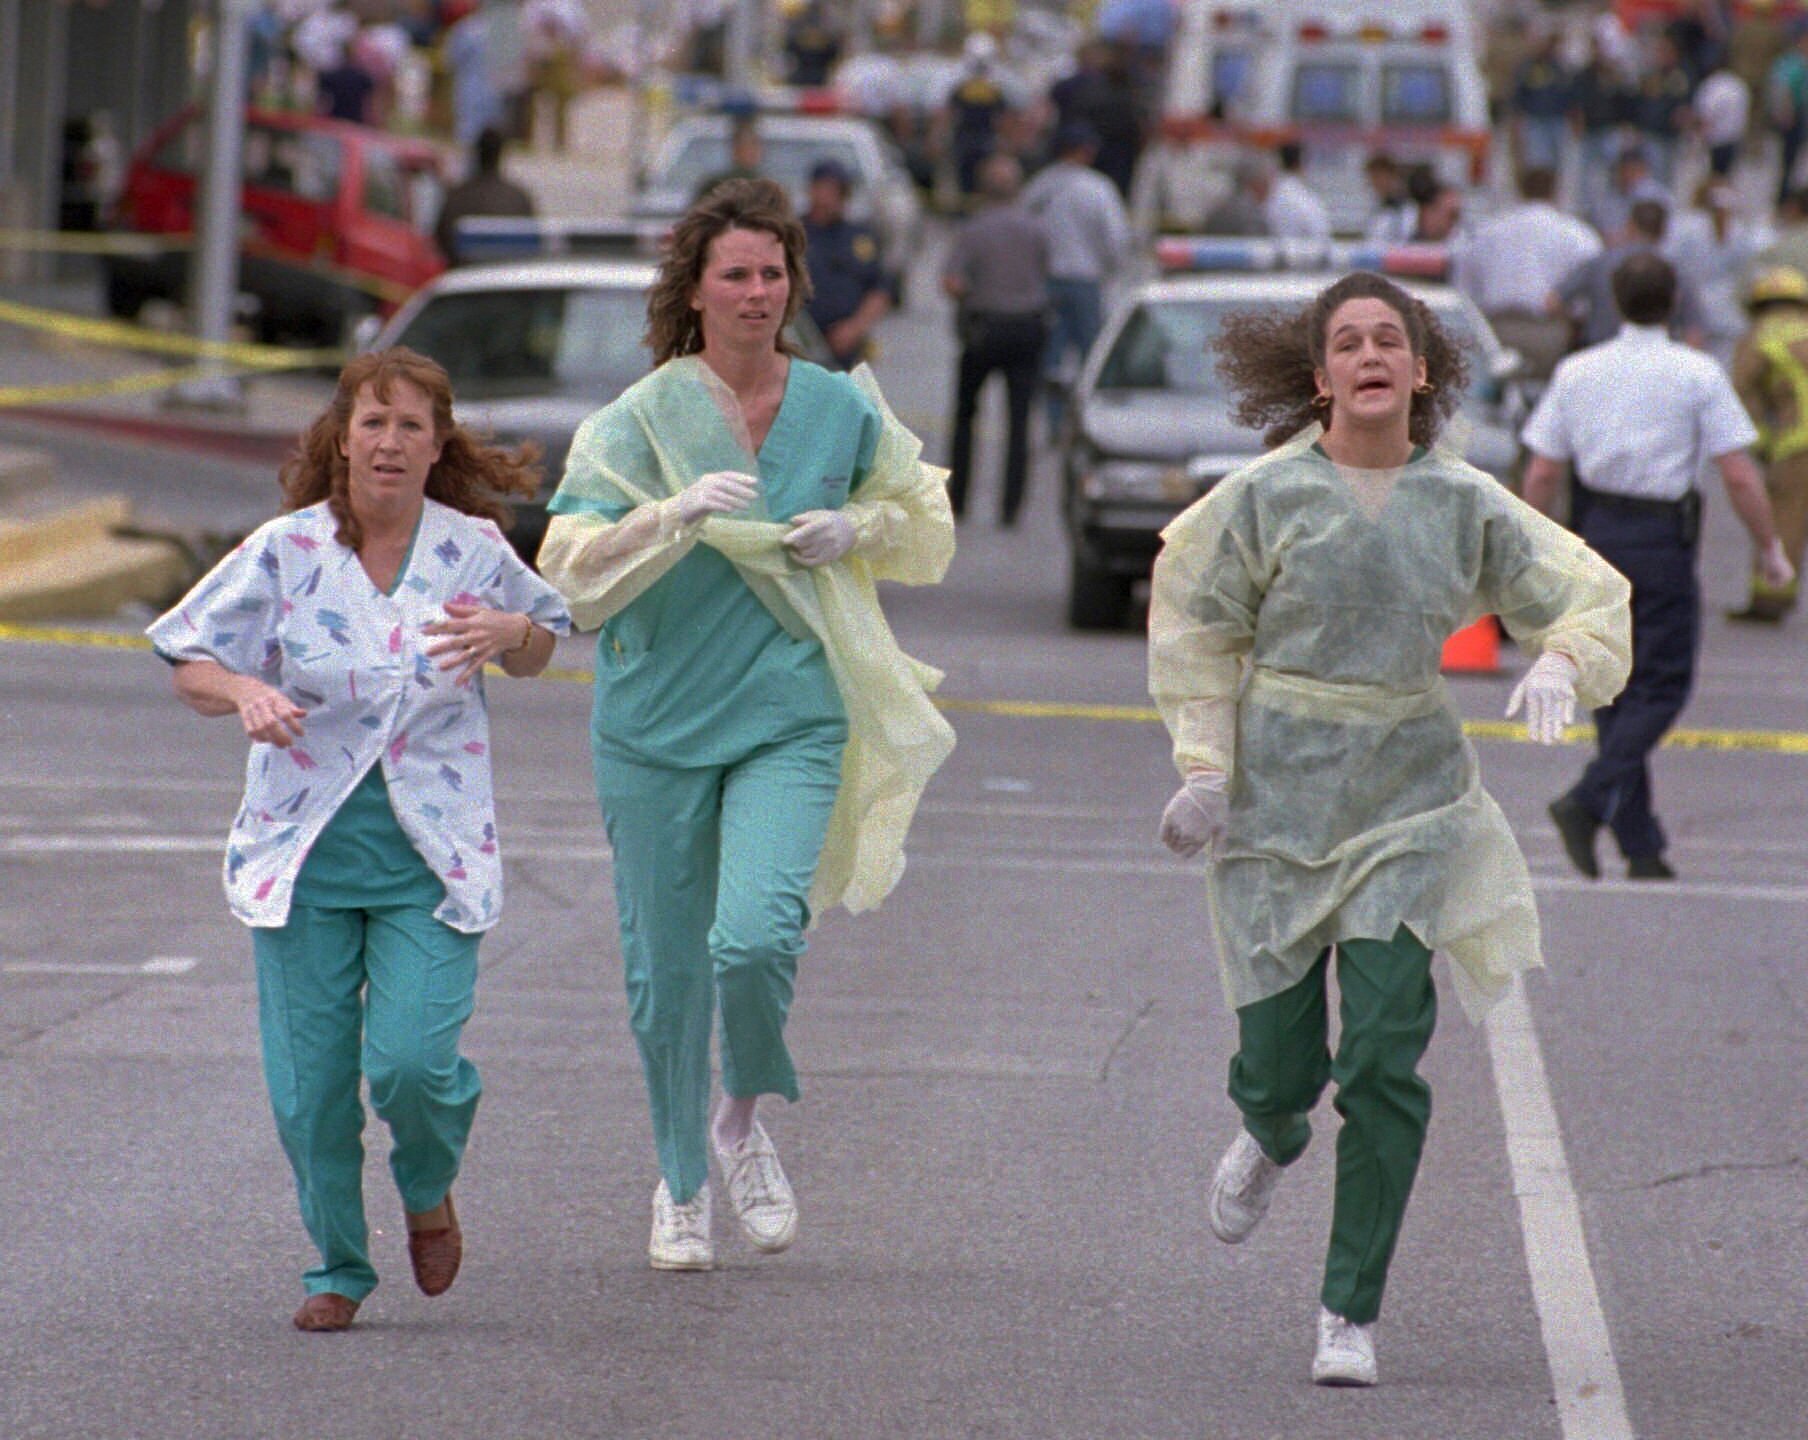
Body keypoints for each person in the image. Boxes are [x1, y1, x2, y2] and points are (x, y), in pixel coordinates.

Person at [1149, 270, 1631, 1388]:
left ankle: (1348, 1309)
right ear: (1320, 377)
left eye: (1389, 341)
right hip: (1275, 804)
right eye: (1348, 343)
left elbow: (1583, 587)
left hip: (1409, 806)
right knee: (1281, 1072)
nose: (1369, 356)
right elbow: (1194, 630)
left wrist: (1563, 658)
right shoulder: (1259, 498)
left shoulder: (1463, 502)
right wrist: (1205, 770)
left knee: (1378, 1061)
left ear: (1421, 370)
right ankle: (1270, 1130)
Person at [535, 178, 955, 1272]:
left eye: (773, 273)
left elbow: (922, 517)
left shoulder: (837, 407)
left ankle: (737, 1120)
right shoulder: (635, 420)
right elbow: (564, 566)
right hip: (655, 718)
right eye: (736, 274)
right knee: (664, 972)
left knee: (757, 936)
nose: (757, 292)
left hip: (790, 711)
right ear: (696, 289)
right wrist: (664, 517)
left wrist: (855, 524)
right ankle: (680, 1184)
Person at [146, 348, 573, 1331]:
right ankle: (337, 1266)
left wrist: (511, 633)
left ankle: (427, 1188)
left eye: (410, 425)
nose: (389, 442)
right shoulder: (286, 550)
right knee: (309, 1095)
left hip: (433, 856)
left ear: (437, 446)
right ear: (340, 439)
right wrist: (245, 691)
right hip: (302, 857)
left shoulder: (471, 548)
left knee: (412, 1067)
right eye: (372, 422)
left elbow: (541, 643)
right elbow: (185, 656)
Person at [1523, 253, 1793, 881]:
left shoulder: (1577, 371)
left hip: (1595, 534)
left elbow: (1542, 471)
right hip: (1661, 539)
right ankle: (1589, 800)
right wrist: (1770, 548)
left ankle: (1640, 844)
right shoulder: (1696, 372)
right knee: (1663, 684)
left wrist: (1533, 550)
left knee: (1614, 690)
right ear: (1673, 303)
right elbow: (1738, 474)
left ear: (1616, 302)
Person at [942, 152, 1050, 526]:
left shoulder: (973, 229)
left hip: (984, 328)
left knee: (965, 416)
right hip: (1027, 328)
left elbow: (951, 281)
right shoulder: (1036, 228)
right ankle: (1011, 506)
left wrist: (971, 292)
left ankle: (959, 498)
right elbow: (1048, 271)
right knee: (1019, 421)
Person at [1021, 120, 1130, 430]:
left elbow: (1024, 231)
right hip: (1085, 280)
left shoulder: (1039, 186)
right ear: (1085, 151)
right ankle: (1086, 420)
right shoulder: (1097, 188)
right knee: (1092, 355)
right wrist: (1112, 271)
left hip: (1047, 281)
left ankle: (1054, 421)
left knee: (1052, 356)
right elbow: (1115, 239)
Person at [1455, 165, 1601, 385]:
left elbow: (1463, 287)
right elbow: (1590, 290)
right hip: (1549, 332)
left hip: (1496, 330)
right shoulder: (1577, 234)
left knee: (1496, 393)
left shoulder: (1487, 231)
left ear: (1520, 191)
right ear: (1556, 192)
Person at [1727, 264, 1808, 622]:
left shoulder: (1759, 336)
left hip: (1797, 443)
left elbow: (1742, 392)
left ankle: (1771, 598)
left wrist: (1761, 442)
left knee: (1784, 519)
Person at [1552, 198, 1705, 351]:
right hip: (1657, 357)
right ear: (1663, 231)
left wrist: (1575, 326)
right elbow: (1694, 332)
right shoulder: (1676, 272)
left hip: (1598, 351)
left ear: (1630, 226)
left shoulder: (1601, 262)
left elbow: (1553, 302)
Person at [801, 158, 891, 370]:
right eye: (824, 189)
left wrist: (854, 328)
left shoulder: (860, 238)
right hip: (801, 343)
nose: (829, 197)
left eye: (837, 192)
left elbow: (880, 290)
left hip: (846, 346)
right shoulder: (793, 234)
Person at [434, 124, 537, 265]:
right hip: (508, 273)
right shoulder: (519, 198)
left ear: (477, 153)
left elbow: (439, 241)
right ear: (501, 154)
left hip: (465, 274)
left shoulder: (456, 197)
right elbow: (531, 244)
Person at [1264, 141, 1331, 241]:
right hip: (1304, 246)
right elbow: (1320, 231)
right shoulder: (1305, 198)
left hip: (1294, 245)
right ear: (1300, 163)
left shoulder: (1274, 196)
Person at [691, 113, 763, 203]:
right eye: (748, 146)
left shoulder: (765, 187)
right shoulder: (716, 185)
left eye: (755, 145)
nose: (753, 151)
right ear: (735, 149)